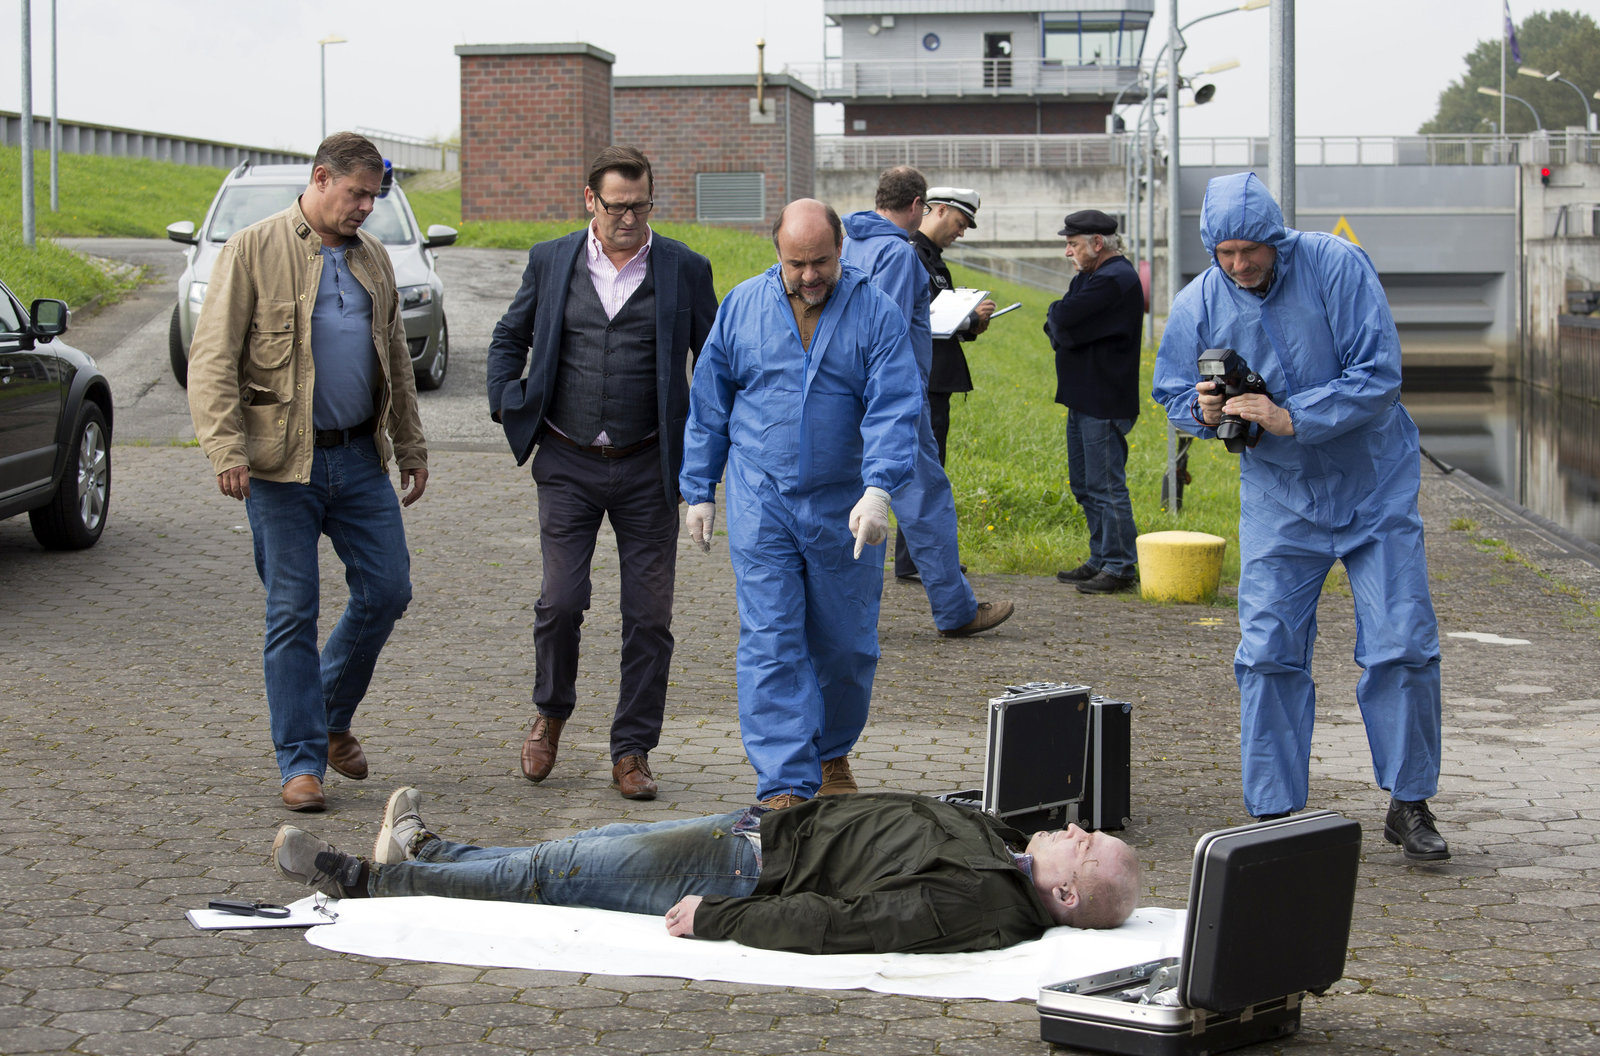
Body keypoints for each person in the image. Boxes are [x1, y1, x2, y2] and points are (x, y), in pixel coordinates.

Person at [1151, 172, 1449, 861]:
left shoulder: (1336, 265)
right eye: (1225, 253)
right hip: (1280, 499)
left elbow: (1379, 373)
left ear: (1276, 238)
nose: (1239, 265)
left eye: (1251, 250)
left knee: (1402, 642)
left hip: (1374, 486)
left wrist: (1291, 416)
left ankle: (1409, 803)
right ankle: (1274, 810)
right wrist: (1202, 410)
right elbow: (1170, 390)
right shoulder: (1199, 300)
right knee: (1268, 652)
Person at [188, 132, 429, 814]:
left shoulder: (373, 257)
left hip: (358, 458)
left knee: (388, 589)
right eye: (356, 194)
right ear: (321, 179)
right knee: (292, 610)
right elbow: (212, 357)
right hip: (278, 466)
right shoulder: (252, 249)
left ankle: (328, 713)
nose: (366, 208)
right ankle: (300, 762)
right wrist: (226, 448)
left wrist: (411, 445)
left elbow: (397, 359)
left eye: (374, 197)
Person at [485, 146, 718, 801]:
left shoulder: (684, 269)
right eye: (616, 206)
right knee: (560, 601)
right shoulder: (551, 259)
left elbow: (716, 362)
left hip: (649, 465)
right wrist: (506, 398)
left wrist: (710, 451)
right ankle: (551, 712)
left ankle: (631, 749)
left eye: (640, 205)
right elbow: (508, 337)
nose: (629, 218)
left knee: (649, 617)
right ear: (590, 200)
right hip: (568, 460)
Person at [678, 199, 922, 806]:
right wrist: (699, 489)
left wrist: (878, 489)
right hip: (762, 499)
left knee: (846, 645)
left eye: (821, 262)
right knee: (771, 638)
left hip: (846, 507)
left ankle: (831, 751)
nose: (809, 275)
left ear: (841, 249)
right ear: (777, 254)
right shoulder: (742, 306)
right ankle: (785, 779)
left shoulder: (876, 312)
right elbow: (710, 401)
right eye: (796, 264)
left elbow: (894, 405)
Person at [271, 786, 1143, 954]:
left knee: (560, 870)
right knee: (564, 859)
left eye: (1084, 843)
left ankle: (364, 879)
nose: (1074, 827)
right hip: (756, 833)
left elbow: (844, 927)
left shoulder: (979, 901)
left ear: (1066, 892)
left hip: (739, 875)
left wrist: (719, 920)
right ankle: (427, 854)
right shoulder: (1000, 849)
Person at [841, 166, 1014, 635]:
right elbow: (889, 332)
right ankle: (956, 611)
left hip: (845, 392)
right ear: (918, 205)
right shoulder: (899, 254)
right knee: (925, 500)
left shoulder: (849, 243)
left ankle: (842, 616)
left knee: (849, 501)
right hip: (894, 395)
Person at [1044, 210, 1145, 596]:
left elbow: (1063, 317)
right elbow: (1058, 321)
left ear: (1098, 243)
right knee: (1085, 484)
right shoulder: (1089, 278)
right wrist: (1060, 321)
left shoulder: (1114, 280)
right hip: (1084, 397)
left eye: (1073, 244)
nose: (1068, 251)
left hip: (1104, 400)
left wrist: (1060, 321)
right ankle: (1101, 556)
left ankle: (1120, 565)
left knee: (1104, 485)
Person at [902, 186, 997, 580]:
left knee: (929, 469)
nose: (961, 232)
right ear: (938, 210)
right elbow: (923, 317)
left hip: (935, 377)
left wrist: (971, 324)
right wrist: (970, 318)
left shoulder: (933, 259)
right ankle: (918, 561)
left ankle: (916, 559)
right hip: (924, 379)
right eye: (959, 223)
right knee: (924, 472)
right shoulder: (911, 254)